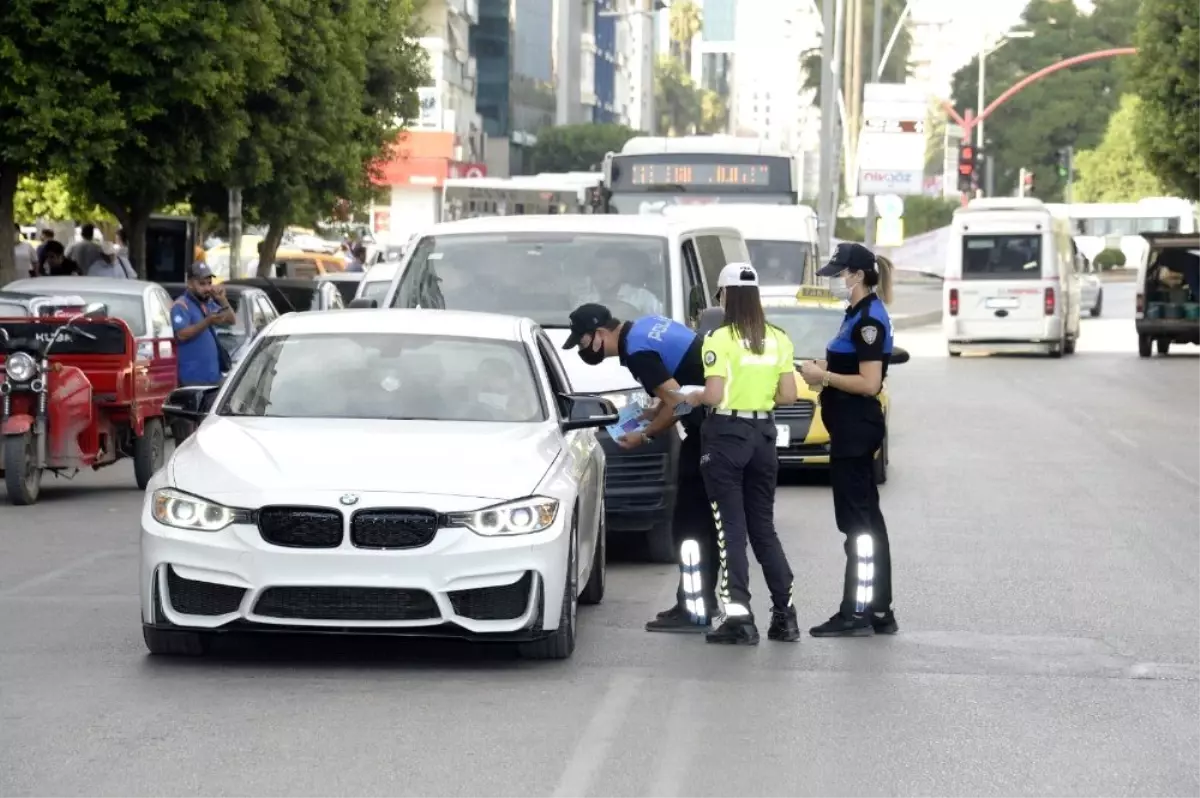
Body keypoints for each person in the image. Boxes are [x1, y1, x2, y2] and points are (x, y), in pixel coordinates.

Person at [562, 302, 721, 633]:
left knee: (690, 527)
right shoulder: (648, 326)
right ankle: (699, 601)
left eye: (582, 341)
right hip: (721, 427)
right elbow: (678, 385)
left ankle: (695, 610)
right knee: (704, 523)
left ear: (601, 334)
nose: (581, 349)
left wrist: (645, 435)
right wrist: (652, 412)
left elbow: (678, 401)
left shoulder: (636, 353)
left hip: (708, 434)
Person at [692, 262, 800, 646]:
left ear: (725, 297)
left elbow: (713, 396)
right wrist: (758, 400)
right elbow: (789, 395)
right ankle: (785, 617)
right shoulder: (778, 338)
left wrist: (690, 396)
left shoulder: (719, 339)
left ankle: (738, 618)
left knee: (730, 530)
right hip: (764, 436)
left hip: (726, 435)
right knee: (763, 529)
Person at [798, 242, 897, 638]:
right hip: (848, 427)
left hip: (856, 427)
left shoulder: (870, 318)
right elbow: (850, 363)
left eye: (842, 273)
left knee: (858, 525)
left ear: (858, 275)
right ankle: (878, 610)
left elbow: (870, 382)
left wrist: (825, 377)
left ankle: (857, 611)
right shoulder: (855, 314)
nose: (839, 279)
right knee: (864, 520)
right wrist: (824, 367)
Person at [170, 263, 236, 442]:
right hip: (191, 381)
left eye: (209, 283)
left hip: (212, 379)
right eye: (202, 284)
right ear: (190, 283)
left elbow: (231, 319)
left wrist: (222, 300)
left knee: (212, 436)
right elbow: (182, 334)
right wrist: (207, 322)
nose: (207, 288)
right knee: (189, 439)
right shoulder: (181, 306)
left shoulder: (208, 304)